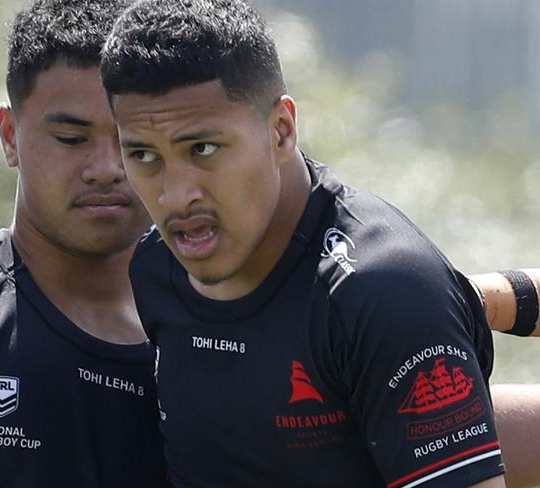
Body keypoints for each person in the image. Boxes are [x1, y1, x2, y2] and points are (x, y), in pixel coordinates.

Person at [101, 0, 506, 486]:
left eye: (202, 149)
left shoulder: (383, 292)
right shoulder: (153, 269)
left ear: (281, 130)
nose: (175, 195)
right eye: (143, 155)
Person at [0, 0, 168, 486]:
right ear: (10, 135)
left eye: (132, 140)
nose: (107, 168)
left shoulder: (215, 334)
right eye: (72, 138)